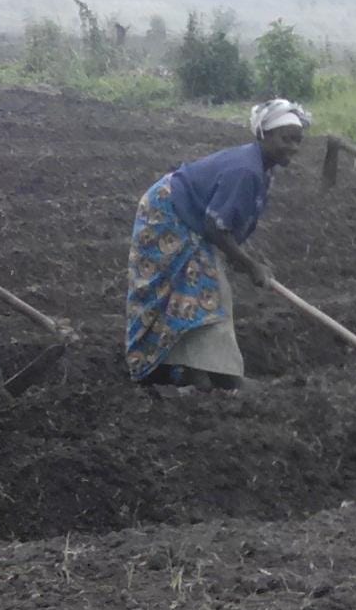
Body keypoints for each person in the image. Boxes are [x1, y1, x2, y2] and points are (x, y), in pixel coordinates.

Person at [125, 99, 308, 391]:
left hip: (187, 214)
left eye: (298, 141)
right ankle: (220, 377)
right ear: (264, 134)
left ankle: (196, 372)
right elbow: (215, 226)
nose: (293, 147)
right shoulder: (246, 170)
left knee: (196, 288)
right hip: (169, 213)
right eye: (286, 139)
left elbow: (225, 223)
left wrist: (244, 259)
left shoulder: (262, 168)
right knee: (207, 290)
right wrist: (249, 265)